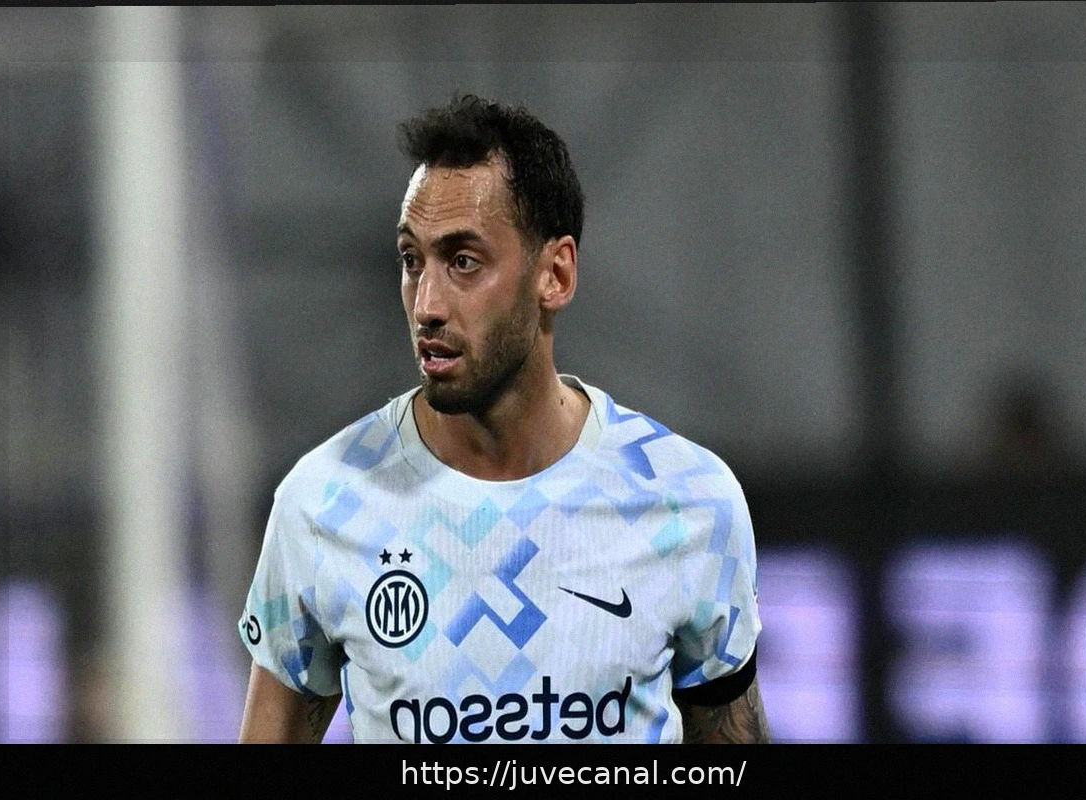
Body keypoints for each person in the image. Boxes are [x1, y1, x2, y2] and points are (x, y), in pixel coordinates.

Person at [237, 95, 769, 744]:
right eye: (411, 261)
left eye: (463, 262)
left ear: (555, 275)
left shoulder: (688, 501)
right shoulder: (323, 504)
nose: (426, 305)